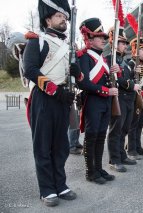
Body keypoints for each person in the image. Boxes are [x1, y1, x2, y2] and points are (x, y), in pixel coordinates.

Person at [23, 0, 79, 206]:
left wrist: (77, 72)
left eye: (65, 17)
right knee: (43, 146)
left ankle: (60, 185)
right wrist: (55, 91)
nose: (64, 20)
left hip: (63, 100)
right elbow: (30, 69)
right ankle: (47, 189)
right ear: (48, 18)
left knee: (61, 146)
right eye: (59, 17)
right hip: (45, 98)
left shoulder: (69, 45)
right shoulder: (36, 40)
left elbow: (77, 73)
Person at [77, 18, 119, 184]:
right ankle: (90, 171)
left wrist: (115, 71)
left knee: (101, 135)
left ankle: (99, 168)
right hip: (93, 101)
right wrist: (106, 91)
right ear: (90, 38)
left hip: (105, 102)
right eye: (99, 37)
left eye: (104, 37)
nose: (104, 40)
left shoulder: (105, 60)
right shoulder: (83, 56)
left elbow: (106, 79)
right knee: (92, 135)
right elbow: (85, 82)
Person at [106, 25, 138, 172]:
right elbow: (117, 81)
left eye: (126, 43)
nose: (125, 45)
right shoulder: (109, 59)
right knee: (116, 130)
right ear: (113, 44)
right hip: (118, 98)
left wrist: (133, 75)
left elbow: (129, 80)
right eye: (122, 43)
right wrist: (130, 84)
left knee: (124, 128)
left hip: (128, 99)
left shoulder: (124, 61)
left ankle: (121, 154)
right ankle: (114, 159)